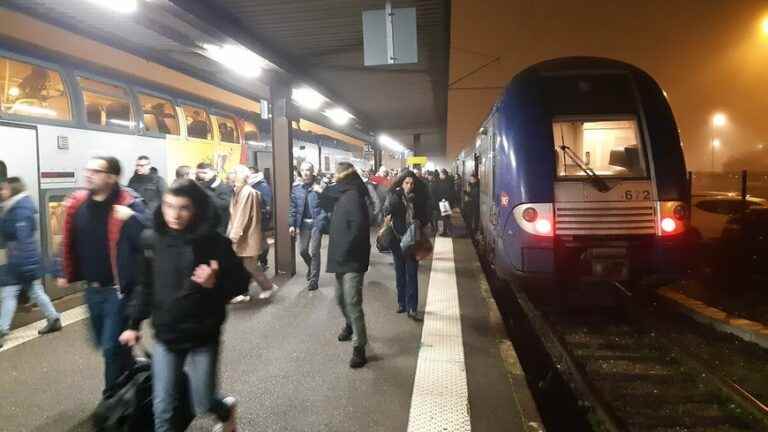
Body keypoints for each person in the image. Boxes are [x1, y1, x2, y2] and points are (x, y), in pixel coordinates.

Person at [119, 179, 250, 432]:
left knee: (201, 403)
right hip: (166, 335)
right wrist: (133, 324)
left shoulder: (214, 243)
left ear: (197, 209)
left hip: (202, 335)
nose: (174, 215)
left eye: (183, 208)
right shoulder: (152, 240)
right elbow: (145, 286)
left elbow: (241, 283)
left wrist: (214, 284)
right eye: (169, 206)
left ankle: (225, 408)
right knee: (162, 408)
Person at [57, 156, 146, 394]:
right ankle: (133, 370)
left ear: (112, 177)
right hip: (92, 290)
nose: (89, 174)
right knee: (105, 343)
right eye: (88, 169)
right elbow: (68, 241)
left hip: (118, 291)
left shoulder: (129, 204)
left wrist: (133, 219)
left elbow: (148, 240)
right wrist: (63, 271)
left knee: (109, 347)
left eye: (96, 170)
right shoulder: (78, 205)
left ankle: (112, 400)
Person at [318, 162, 370, 368]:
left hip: (352, 259)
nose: (334, 179)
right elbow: (324, 200)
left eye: (336, 176)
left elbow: (358, 229)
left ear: (343, 176)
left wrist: (346, 250)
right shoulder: (343, 194)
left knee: (353, 302)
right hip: (340, 256)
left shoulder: (354, 196)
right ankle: (350, 324)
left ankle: (360, 348)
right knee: (341, 299)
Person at [0, 177, 61, 348]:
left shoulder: (20, 210)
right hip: (21, 260)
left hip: (22, 261)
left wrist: (24, 265)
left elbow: (24, 240)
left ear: (13, 190)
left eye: (3, 189)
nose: (1, 192)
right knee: (35, 291)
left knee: (9, 294)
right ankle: (54, 318)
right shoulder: (13, 206)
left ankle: (2, 330)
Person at [383, 170, 431, 321]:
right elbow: (386, 212)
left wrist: (420, 222)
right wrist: (394, 199)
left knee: (412, 274)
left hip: (412, 241)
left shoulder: (419, 198)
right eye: (406, 183)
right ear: (401, 183)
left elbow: (426, 215)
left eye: (411, 183)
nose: (409, 186)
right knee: (400, 273)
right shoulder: (394, 196)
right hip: (397, 240)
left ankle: (412, 307)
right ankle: (401, 302)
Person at [228, 165, 277, 302]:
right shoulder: (239, 191)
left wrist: (233, 236)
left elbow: (242, 216)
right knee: (247, 266)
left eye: (233, 172)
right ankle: (245, 291)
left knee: (250, 266)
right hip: (245, 236)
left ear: (240, 176)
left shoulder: (247, 192)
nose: (229, 175)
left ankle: (266, 287)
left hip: (247, 236)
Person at [289, 162, 328, 291]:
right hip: (304, 224)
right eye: (303, 170)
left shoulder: (320, 186)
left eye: (308, 170)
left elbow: (329, 204)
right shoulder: (296, 188)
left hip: (317, 223)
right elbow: (293, 208)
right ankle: (312, 267)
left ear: (313, 171)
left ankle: (313, 280)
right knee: (303, 251)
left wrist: (322, 192)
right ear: (300, 172)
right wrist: (292, 224)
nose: (305, 173)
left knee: (315, 251)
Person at [196, 162, 232, 236]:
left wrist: (206, 192)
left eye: (204, 172)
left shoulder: (224, 187)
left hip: (218, 229)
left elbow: (224, 205)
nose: (201, 175)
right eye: (198, 173)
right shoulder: (200, 185)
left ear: (214, 172)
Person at [247, 167, 273, 270]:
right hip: (255, 217)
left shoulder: (262, 186)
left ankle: (262, 262)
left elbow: (267, 205)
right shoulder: (252, 185)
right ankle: (260, 262)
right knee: (259, 240)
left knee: (261, 240)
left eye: (250, 174)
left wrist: (263, 213)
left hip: (261, 217)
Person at [433, 169, 454, 236]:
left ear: (444, 175)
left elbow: (446, 192)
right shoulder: (448, 181)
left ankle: (445, 231)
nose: (439, 176)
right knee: (445, 217)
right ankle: (446, 230)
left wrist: (443, 198)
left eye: (440, 174)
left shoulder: (445, 182)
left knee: (444, 217)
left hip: (444, 201)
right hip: (445, 201)